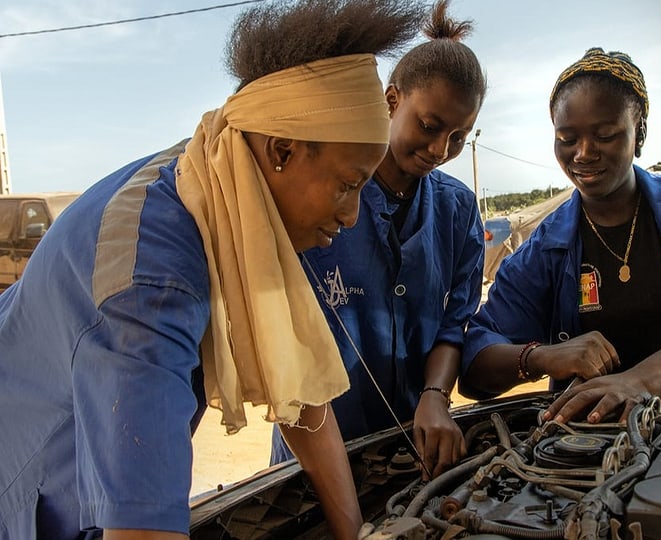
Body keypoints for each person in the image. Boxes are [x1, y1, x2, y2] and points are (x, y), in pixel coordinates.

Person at [0, 1, 424, 539]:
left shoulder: (221, 176)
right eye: (347, 184)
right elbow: (143, 529)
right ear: (283, 150)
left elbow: (295, 383)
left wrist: (353, 532)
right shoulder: (151, 285)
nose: (352, 213)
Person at [459, 48, 661, 425]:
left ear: (640, 134)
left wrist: (634, 382)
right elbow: (476, 359)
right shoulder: (546, 250)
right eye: (567, 138)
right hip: (597, 433)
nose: (583, 153)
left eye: (604, 135)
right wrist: (542, 356)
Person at [270, 0, 486, 481]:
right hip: (313, 462)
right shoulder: (316, 196)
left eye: (458, 138)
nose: (439, 150)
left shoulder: (458, 210)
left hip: (414, 455)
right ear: (392, 102)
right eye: (429, 127)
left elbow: (455, 326)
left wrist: (434, 396)